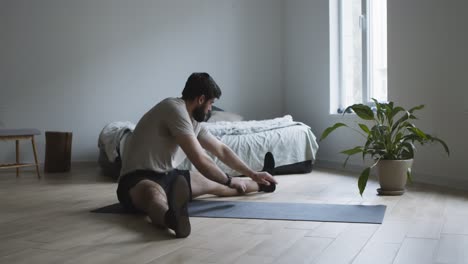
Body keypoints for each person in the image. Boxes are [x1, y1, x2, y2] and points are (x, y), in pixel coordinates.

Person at [117, 72, 277, 238]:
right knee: (154, 195)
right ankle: (172, 219)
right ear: (200, 99)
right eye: (211, 103)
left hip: (169, 175)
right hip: (136, 179)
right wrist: (229, 178)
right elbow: (200, 159)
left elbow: (221, 150)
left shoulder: (194, 121)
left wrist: (253, 173)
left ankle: (264, 182)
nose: (210, 109)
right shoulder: (174, 109)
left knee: (220, 186)